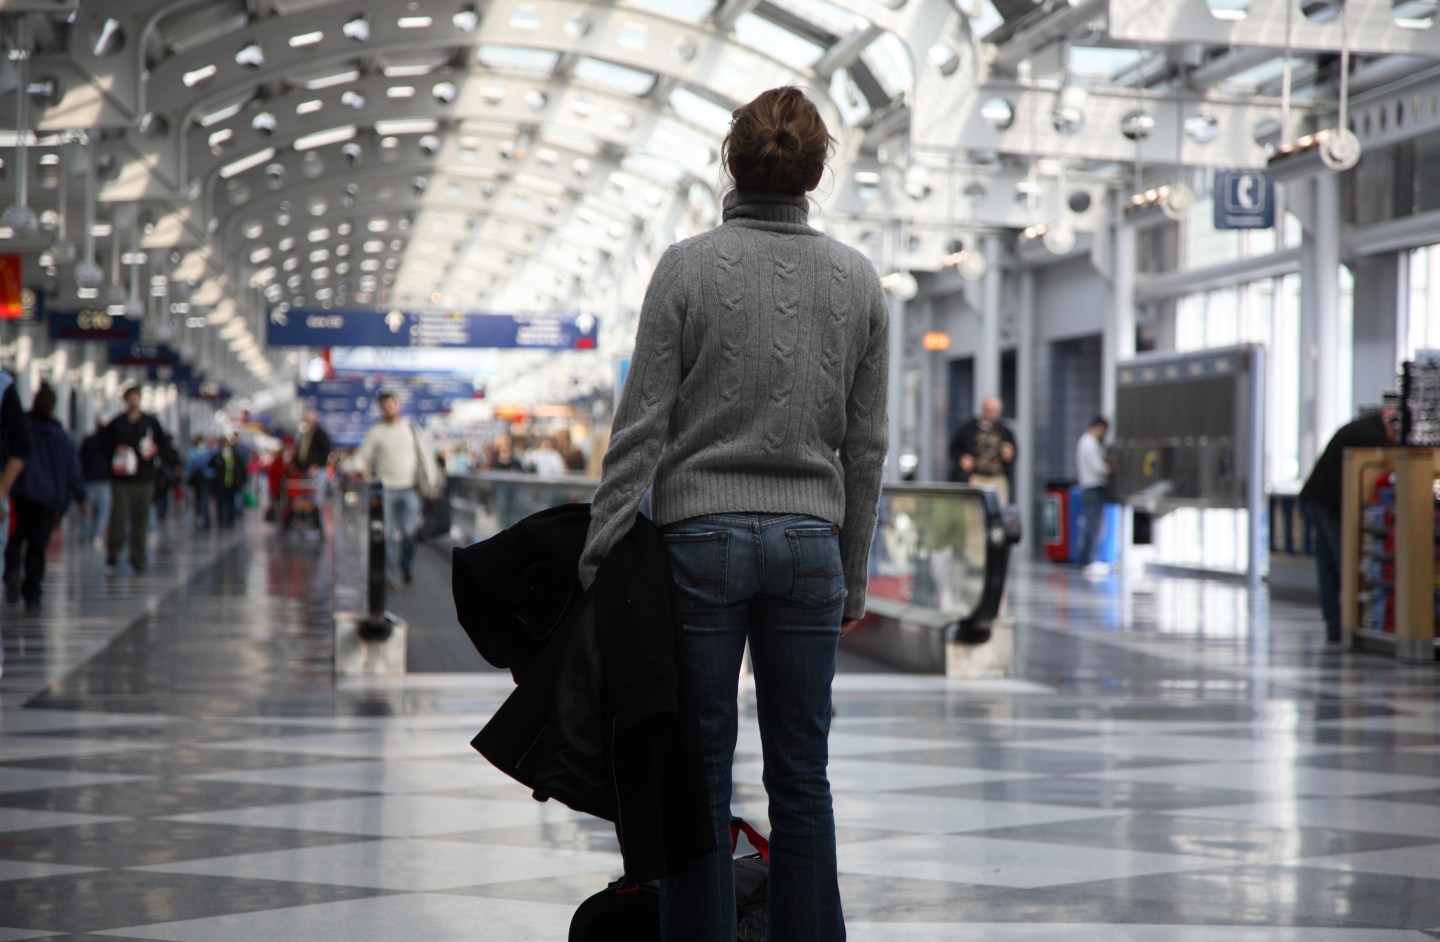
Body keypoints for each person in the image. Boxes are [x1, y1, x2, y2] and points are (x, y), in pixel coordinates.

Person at [579, 86, 889, 942]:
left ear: (732, 160)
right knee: (803, 779)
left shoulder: (687, 267)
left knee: (699, 777)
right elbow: (866, 447)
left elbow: (640, 427)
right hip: (808, 547)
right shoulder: (858, 280)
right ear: (817, 169)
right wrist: (852, 568)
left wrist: (600, 551)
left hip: (698, 547)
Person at [1299, 405, 1398, 642]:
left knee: (1328, 566)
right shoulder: (1371, 437)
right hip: (1328, 502)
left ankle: (1334, 625)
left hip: (1316, 498)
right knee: (1343, 561)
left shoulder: (1361, 429)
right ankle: (1347, 624)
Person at [4, 384, 85, 610]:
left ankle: (11, 571)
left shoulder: (22, 426)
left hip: (19, 492)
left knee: (14, 538)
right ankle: (32, 589)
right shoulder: (61, 436)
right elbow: (72, 470)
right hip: (46, 499)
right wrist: (80, 497)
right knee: (37, 546)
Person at [354, 390, 441, 588]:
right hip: (387, 491)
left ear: (398, 405)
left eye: (392, 404)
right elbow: (363, 455)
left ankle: (406, 564)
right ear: (381, 409)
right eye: (385, 406)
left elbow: (425, 457)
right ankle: (392, 575)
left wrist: (432, 483)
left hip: (411, 490)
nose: (389, 408)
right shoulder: (377, 432)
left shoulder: (411, 428)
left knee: (410, 533)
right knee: (388, 536)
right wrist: (359, 469)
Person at [101, 385, 179, 573]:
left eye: (136, 397)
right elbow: (102, 444)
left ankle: (138, 557)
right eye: (130, 397)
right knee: (118, 516)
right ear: (125, 400)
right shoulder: (117, 422)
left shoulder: (150, 422)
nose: (134, 401)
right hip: (121, 477)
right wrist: (115, 450)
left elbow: (163, 443)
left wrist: (155, 450)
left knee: (141, 518)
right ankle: (113, 549)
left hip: (144, 477)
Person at [948, 395, 1017, 504]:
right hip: (976, 476)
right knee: (974, 507)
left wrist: (1009, 456)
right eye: (989, 411)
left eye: (994, 411)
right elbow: (954, 449)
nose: (991, 414)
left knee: (998, 508)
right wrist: (962, 459)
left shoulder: (1004, 431)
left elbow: (1013, 453)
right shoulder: (968, 429)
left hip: (997, 478)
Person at [1075, 416, 1115, 577]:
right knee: (1093, 525)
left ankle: (1087, 559)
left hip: (1090, 487)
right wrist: (1110, 466)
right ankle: (1090, 560)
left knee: (1092, 524)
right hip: (1092, 487)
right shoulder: (1089, 443)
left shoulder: (1088, 442)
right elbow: (1098, 468)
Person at [78, 420, 111, 543]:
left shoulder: (88, 440)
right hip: (103, 479)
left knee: (87, 508)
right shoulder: (108, 442)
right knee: (103, 510)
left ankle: (86, 533)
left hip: (89, 478)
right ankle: (98, 533)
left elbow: (80, 459)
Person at [209, 436, 247, 530]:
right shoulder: (217, 456)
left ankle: (230, 521)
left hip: (232, 484)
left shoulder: (235, 457)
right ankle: (221, 521)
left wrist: (241, 481)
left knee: (231, 503)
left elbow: (241, 469)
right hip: (220, 484)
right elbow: (210, 465)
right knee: (220, 504)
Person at [295, 409, 332, 502]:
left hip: (317, 470)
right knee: (307, 499)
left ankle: (318, 515)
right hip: (306, 470)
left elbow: (326, 451)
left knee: (317, 498)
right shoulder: (306, 433)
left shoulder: (320, 434)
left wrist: (317, 465)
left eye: (307, 420)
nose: (305, 422)